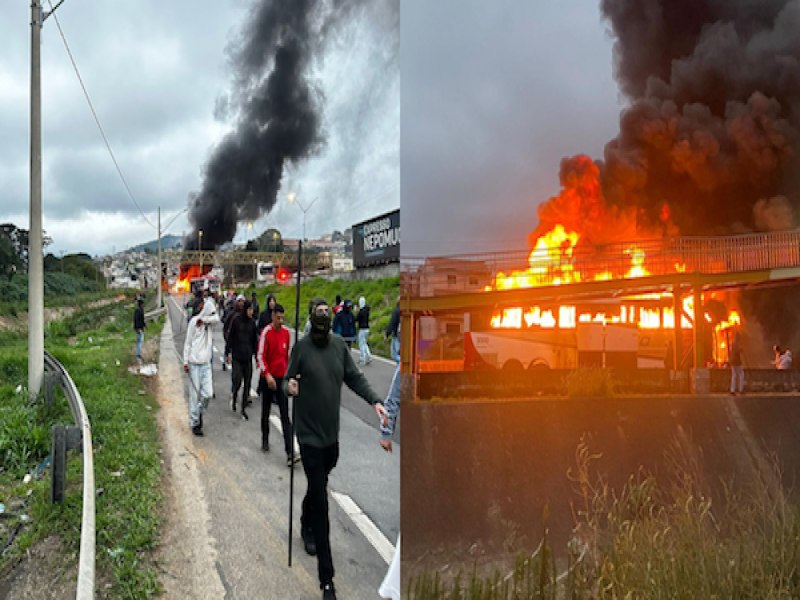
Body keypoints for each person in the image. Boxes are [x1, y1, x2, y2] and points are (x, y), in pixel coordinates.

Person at [284, 298, 387, 600]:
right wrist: (290, 385)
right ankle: (326, 580)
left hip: (331, 438)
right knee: (322, 501)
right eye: (318, 316)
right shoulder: (301, 348)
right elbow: (288, 378)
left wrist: (375, 401)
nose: (323, 320)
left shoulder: (340, 346)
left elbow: (354, 378)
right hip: (308, 435)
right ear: (311, 320)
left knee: (318, 487)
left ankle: (305, 518)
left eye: (326, 315)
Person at [257, 303, 298, 465]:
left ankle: (290, 452)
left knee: (285, 415)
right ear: (272, 316)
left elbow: (286, 356)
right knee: (265, 411)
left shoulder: (287, 333)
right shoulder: (266, 333)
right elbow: (260, 356)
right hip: (268, 377)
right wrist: (267, 376)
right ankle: (265, 439)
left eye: (283, 318)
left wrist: (290, 376)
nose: (281, 321)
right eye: (278, 317)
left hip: (281, 379)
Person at [183, 297, 220, 436]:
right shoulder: (193, 322)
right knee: (194, 395)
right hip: (194, 364)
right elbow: (187, 343)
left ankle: (198, 413)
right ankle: (195, 423)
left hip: (205, 364)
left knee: (208, 394)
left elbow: (216, 318)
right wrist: (185, 362)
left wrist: (204, 320)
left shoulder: (209, 323)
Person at [228, 300, 258, 420]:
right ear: (245, 309)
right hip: (237, 357)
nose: (252, 312)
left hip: (247, 357)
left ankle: (243, 409)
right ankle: (234, 396)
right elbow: (230, 337)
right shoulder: (236, 321)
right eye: (250, 309)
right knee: (237, 380)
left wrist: (256, 355)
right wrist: (227, 352)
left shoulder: (252, 323)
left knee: (248, 383)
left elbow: (254, 341)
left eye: (252, 309)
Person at [356, 296, 372, 365]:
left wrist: (357, 311)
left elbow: (356, 319)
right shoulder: (367, 311)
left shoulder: (361, 311)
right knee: (364, 343)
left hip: (362, 329)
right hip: (367, 329)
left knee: (361, 344)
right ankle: (368, 356)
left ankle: (363, 358)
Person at [384, 298, 400, 364]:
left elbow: (392, 323)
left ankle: (402, 365)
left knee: (395, 355)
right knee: (395, 355)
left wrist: (387, 334)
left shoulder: (396, 311)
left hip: (397, 336)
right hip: (404, 336)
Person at [133, 297, 146, 362]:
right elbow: (136, 320)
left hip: (140, 328)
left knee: (139, 341)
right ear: (141, 304)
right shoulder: (138, 310)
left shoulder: (140, 309)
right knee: (139, 341)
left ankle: (138, 353)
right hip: (139, 328)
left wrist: (144, 326)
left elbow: (142, 319)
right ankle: (138, 354)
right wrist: (138, 328)